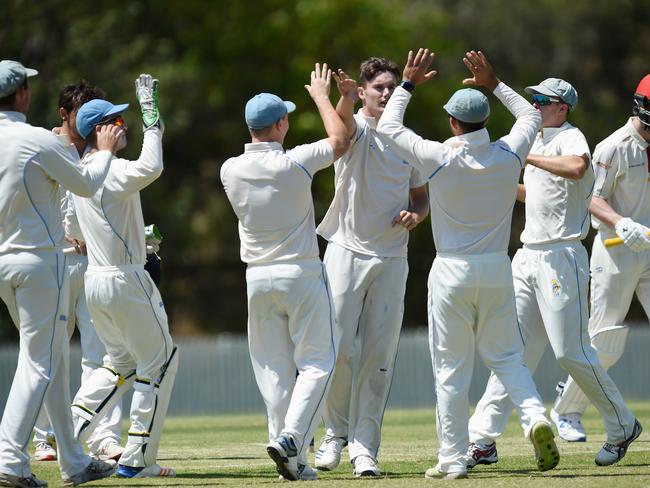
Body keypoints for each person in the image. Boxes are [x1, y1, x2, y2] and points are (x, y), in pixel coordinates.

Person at [377, 49, 559, 479]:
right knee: (509, 358)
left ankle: (453, 458)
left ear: (453, 123)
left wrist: (406, 84)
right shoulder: (508, 153)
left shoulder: (438, 156)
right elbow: (531, 116)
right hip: (497, 267)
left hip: (452, 271)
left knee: (451, 369)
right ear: (484, 122)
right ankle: (535, 417)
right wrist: (493, 82)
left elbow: (387, 127)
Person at [466, 78, 641, 468]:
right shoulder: (537, 139)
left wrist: (523, 155)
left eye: (542, 100)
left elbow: (578, 168)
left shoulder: (571, 137)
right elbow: (537, 191)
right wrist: (493, 179)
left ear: (561, 107)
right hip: (527, 257)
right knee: (512, 354)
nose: (534, 104)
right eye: (533, 98)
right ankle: (483, 438)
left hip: (562, 257)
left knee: (570, 352)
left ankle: (622, 424)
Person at [220, 63, 348, 481]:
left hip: (257, 278)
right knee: (317, 364)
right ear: (280, 124)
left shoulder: (229, 169)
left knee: (274, 370)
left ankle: (293, 461)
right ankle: (293, 437)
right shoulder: (295, 162)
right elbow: (340, 140)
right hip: (300, 272)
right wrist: (322, 97)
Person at [0, 59, 121, 487]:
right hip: (39, 263)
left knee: (52, 362)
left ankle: (73, 459)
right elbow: (86, 185)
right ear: (22, 96)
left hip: (4, 265)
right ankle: (9, 459)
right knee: (40, 362)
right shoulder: (35, 139)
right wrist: (105, 152)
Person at [314, 58, 429, 477]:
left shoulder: (406, 139)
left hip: (392, 257)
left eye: (391, 87)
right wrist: (343, 99)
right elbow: (340, 130)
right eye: (378, 87)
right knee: (339, 349)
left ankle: (366, 448)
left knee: (378, 355)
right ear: (362, 91)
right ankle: (334, 435)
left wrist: (416, 215)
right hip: (345, 251)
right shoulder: (358, 127)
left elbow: (420, 195)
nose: (385, 92)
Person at [67, 74, 178, 479]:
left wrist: (135, 237)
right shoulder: (108, 168)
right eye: (115, 120)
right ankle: (137, 459)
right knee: (161, 362)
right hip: (126, 280)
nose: (122, 125)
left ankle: (68, 436)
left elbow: (76, 230)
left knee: (119, 365)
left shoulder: (80, 172)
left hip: (97, 280)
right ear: (100, 131)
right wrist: (151, 112)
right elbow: (153, 165)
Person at [552, 74, 650, 443]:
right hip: (615, 251)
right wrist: (623, 224)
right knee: (604, 339)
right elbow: (590, 197)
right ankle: (567, 412)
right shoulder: (613, 146)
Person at [32, 81, 124, 464]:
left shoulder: (101, 151)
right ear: (64, 114)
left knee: (102, 353)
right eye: (82, 115)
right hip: (55, 261)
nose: (91, 124)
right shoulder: (43, 145)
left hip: (96, 264)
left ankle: (103, 436)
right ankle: (43, 438)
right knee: (48, 352)